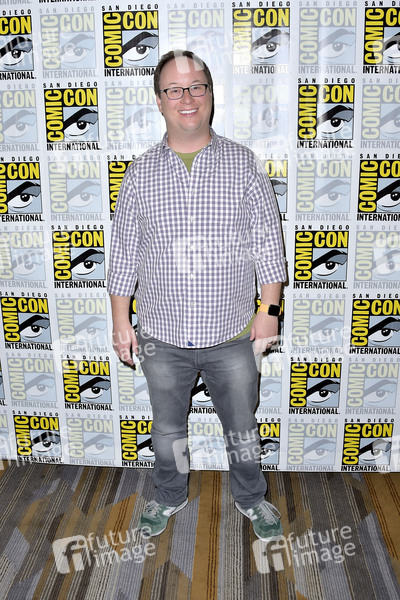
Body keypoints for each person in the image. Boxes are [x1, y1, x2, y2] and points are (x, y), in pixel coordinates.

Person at [107, 50, 287, 541]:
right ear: (159, 101)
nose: (186, 98)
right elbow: (124, 254)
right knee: (168, 431)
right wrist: (121, 321)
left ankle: (251, 498)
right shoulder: (141, 172)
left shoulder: (243, 164)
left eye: (196, 87)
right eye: (174, 89)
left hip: (232, 335)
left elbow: (268, 245)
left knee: (242, 429)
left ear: (210, 93)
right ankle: (169, 495)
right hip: (161, 337)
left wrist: (269, 311)